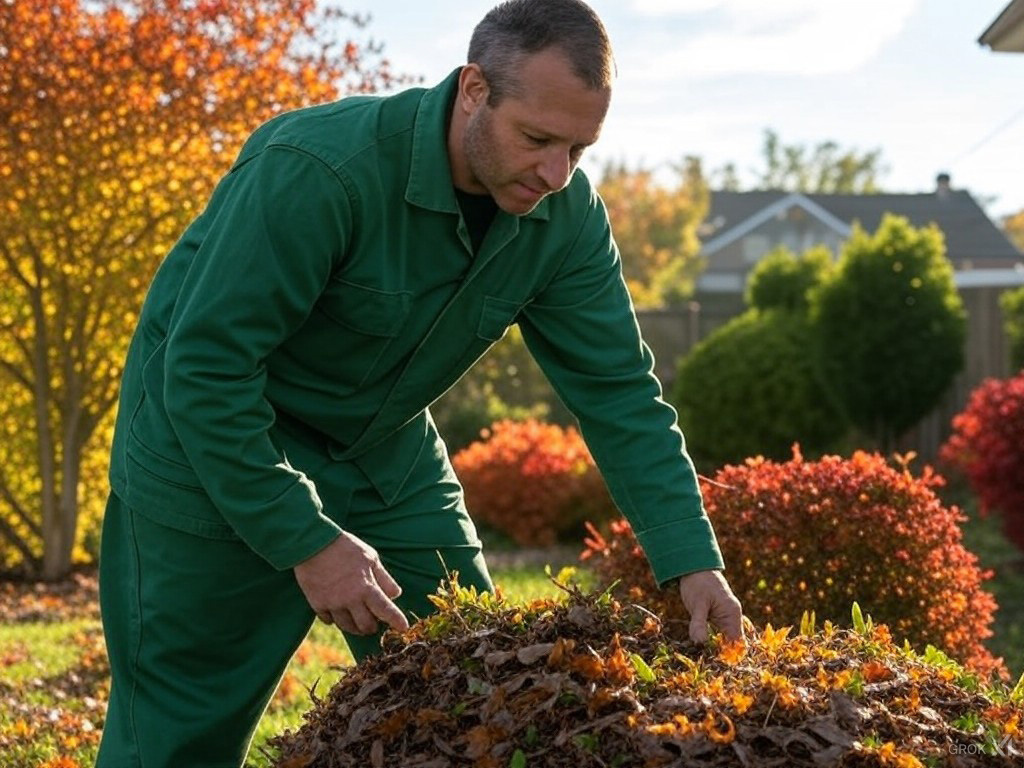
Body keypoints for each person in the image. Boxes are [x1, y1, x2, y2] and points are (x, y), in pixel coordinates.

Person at [96, 0, 744, 765]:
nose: (555, 172)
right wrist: (304, 537)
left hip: (382, 450)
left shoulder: (565, 216)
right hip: (211, 443)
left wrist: (691, 559)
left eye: (579, 147)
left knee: (469, 686)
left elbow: (621, 392)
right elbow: (204, 371)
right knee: (179, 735)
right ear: (474, 89)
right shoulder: (318, 170)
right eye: (536, 138)